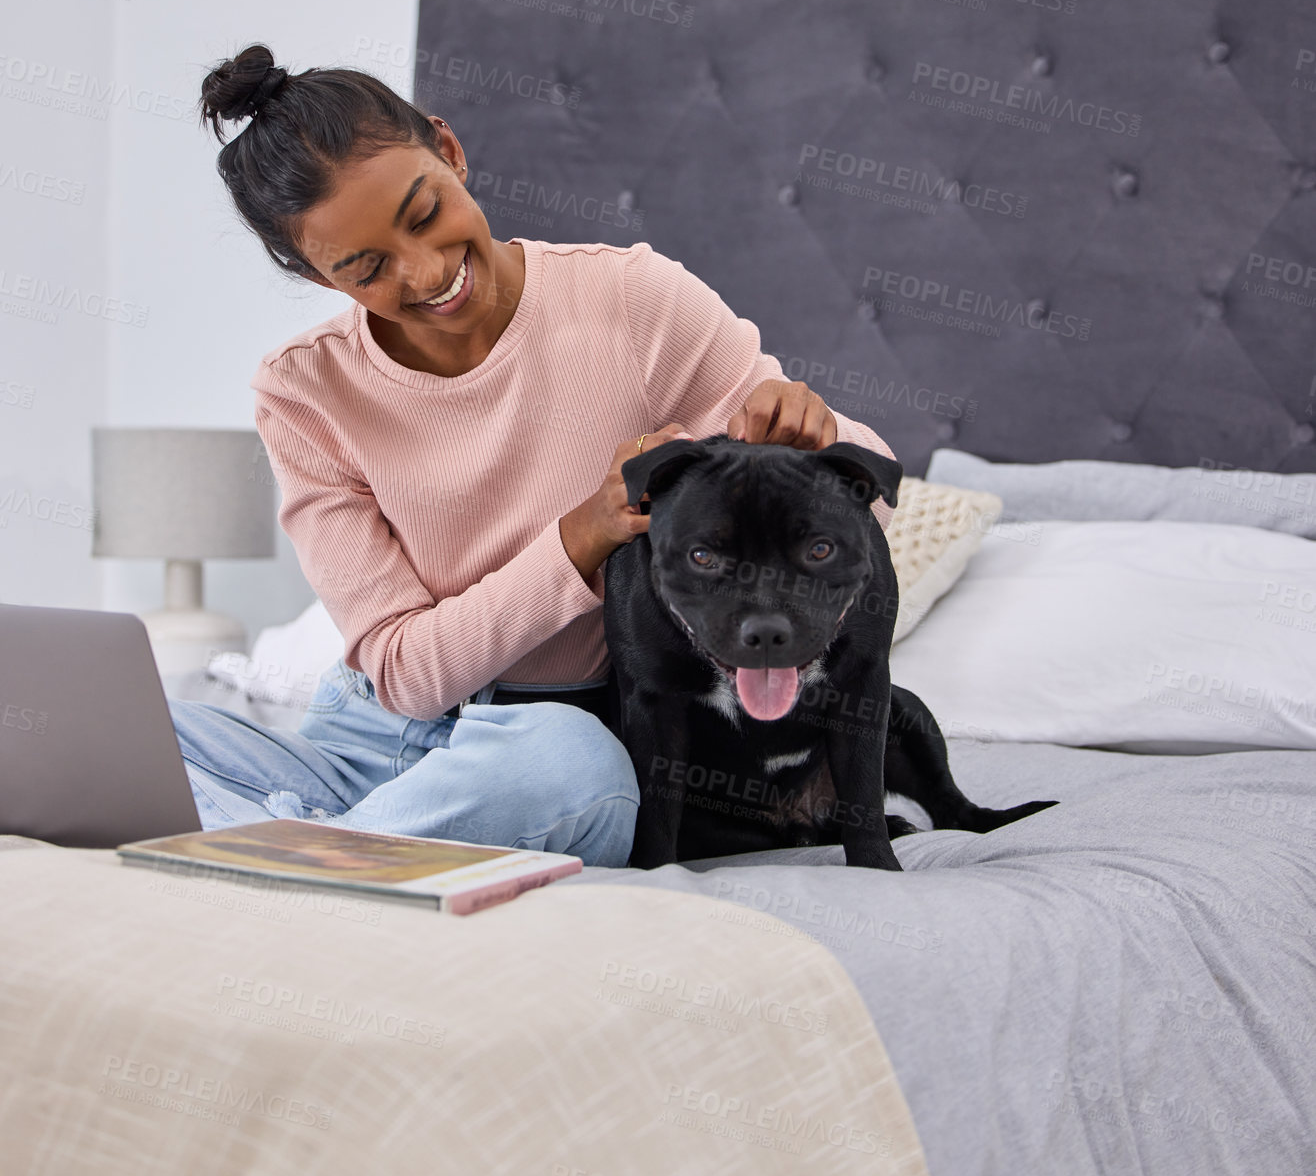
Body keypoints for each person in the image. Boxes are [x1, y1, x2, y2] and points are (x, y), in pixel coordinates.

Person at [168, 43, 899, 868]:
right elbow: (404, 672)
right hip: (366, 738)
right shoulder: (304, 391)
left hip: (549, 743)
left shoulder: (632, 302)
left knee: (571, 768)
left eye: (424, 212)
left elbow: (864, 489)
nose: (428, 270)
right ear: (315, 273)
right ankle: (340, 846)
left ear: (449, 150)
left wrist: (815, 430)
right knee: (122, 725)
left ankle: (271, 848)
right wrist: (578, 537)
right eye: (367, 268)